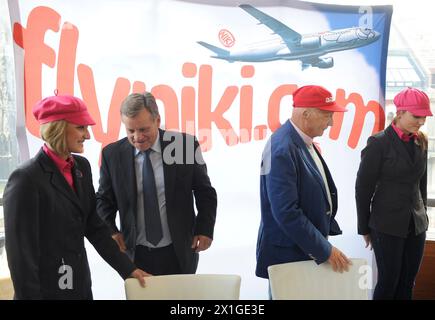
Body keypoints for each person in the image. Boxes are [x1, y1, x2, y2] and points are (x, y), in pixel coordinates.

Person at [3, 94, 148, 299]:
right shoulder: (26, 179)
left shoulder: (81, 167)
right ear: (59, 129)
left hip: (78, 287)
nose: (87, 135)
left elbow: (95, 228)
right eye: (81, 127)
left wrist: (128, 269)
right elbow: (21, 257)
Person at [96, 92, 217, 275]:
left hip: (179, 251)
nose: (138, 137)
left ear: (157, 120)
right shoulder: (112, 155)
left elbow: (205, 193)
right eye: (131, 131)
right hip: (135, 255)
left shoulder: (184, 146)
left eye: (144, 129)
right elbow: (104, 201)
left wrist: (205, 229)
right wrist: (111, 231)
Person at [256, 85, 352, 283]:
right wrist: (324, 250)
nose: (332, 123)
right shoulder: (282, 148)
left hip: (300, 251)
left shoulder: (300, 142)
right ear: (306, 114)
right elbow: (286, 212)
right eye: (327, 115)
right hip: (289, 255)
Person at [355, 87, 432, 300]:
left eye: (424, 117)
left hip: (416, 225)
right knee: (389, 281)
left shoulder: (421, 141)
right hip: (386, 225)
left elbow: (421, 185)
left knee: (408, 282)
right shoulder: (378, 143)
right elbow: (363, 188)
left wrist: (423, 215)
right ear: (399, 113)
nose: (421, 121)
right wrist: (364, 227)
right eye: (416, 116)